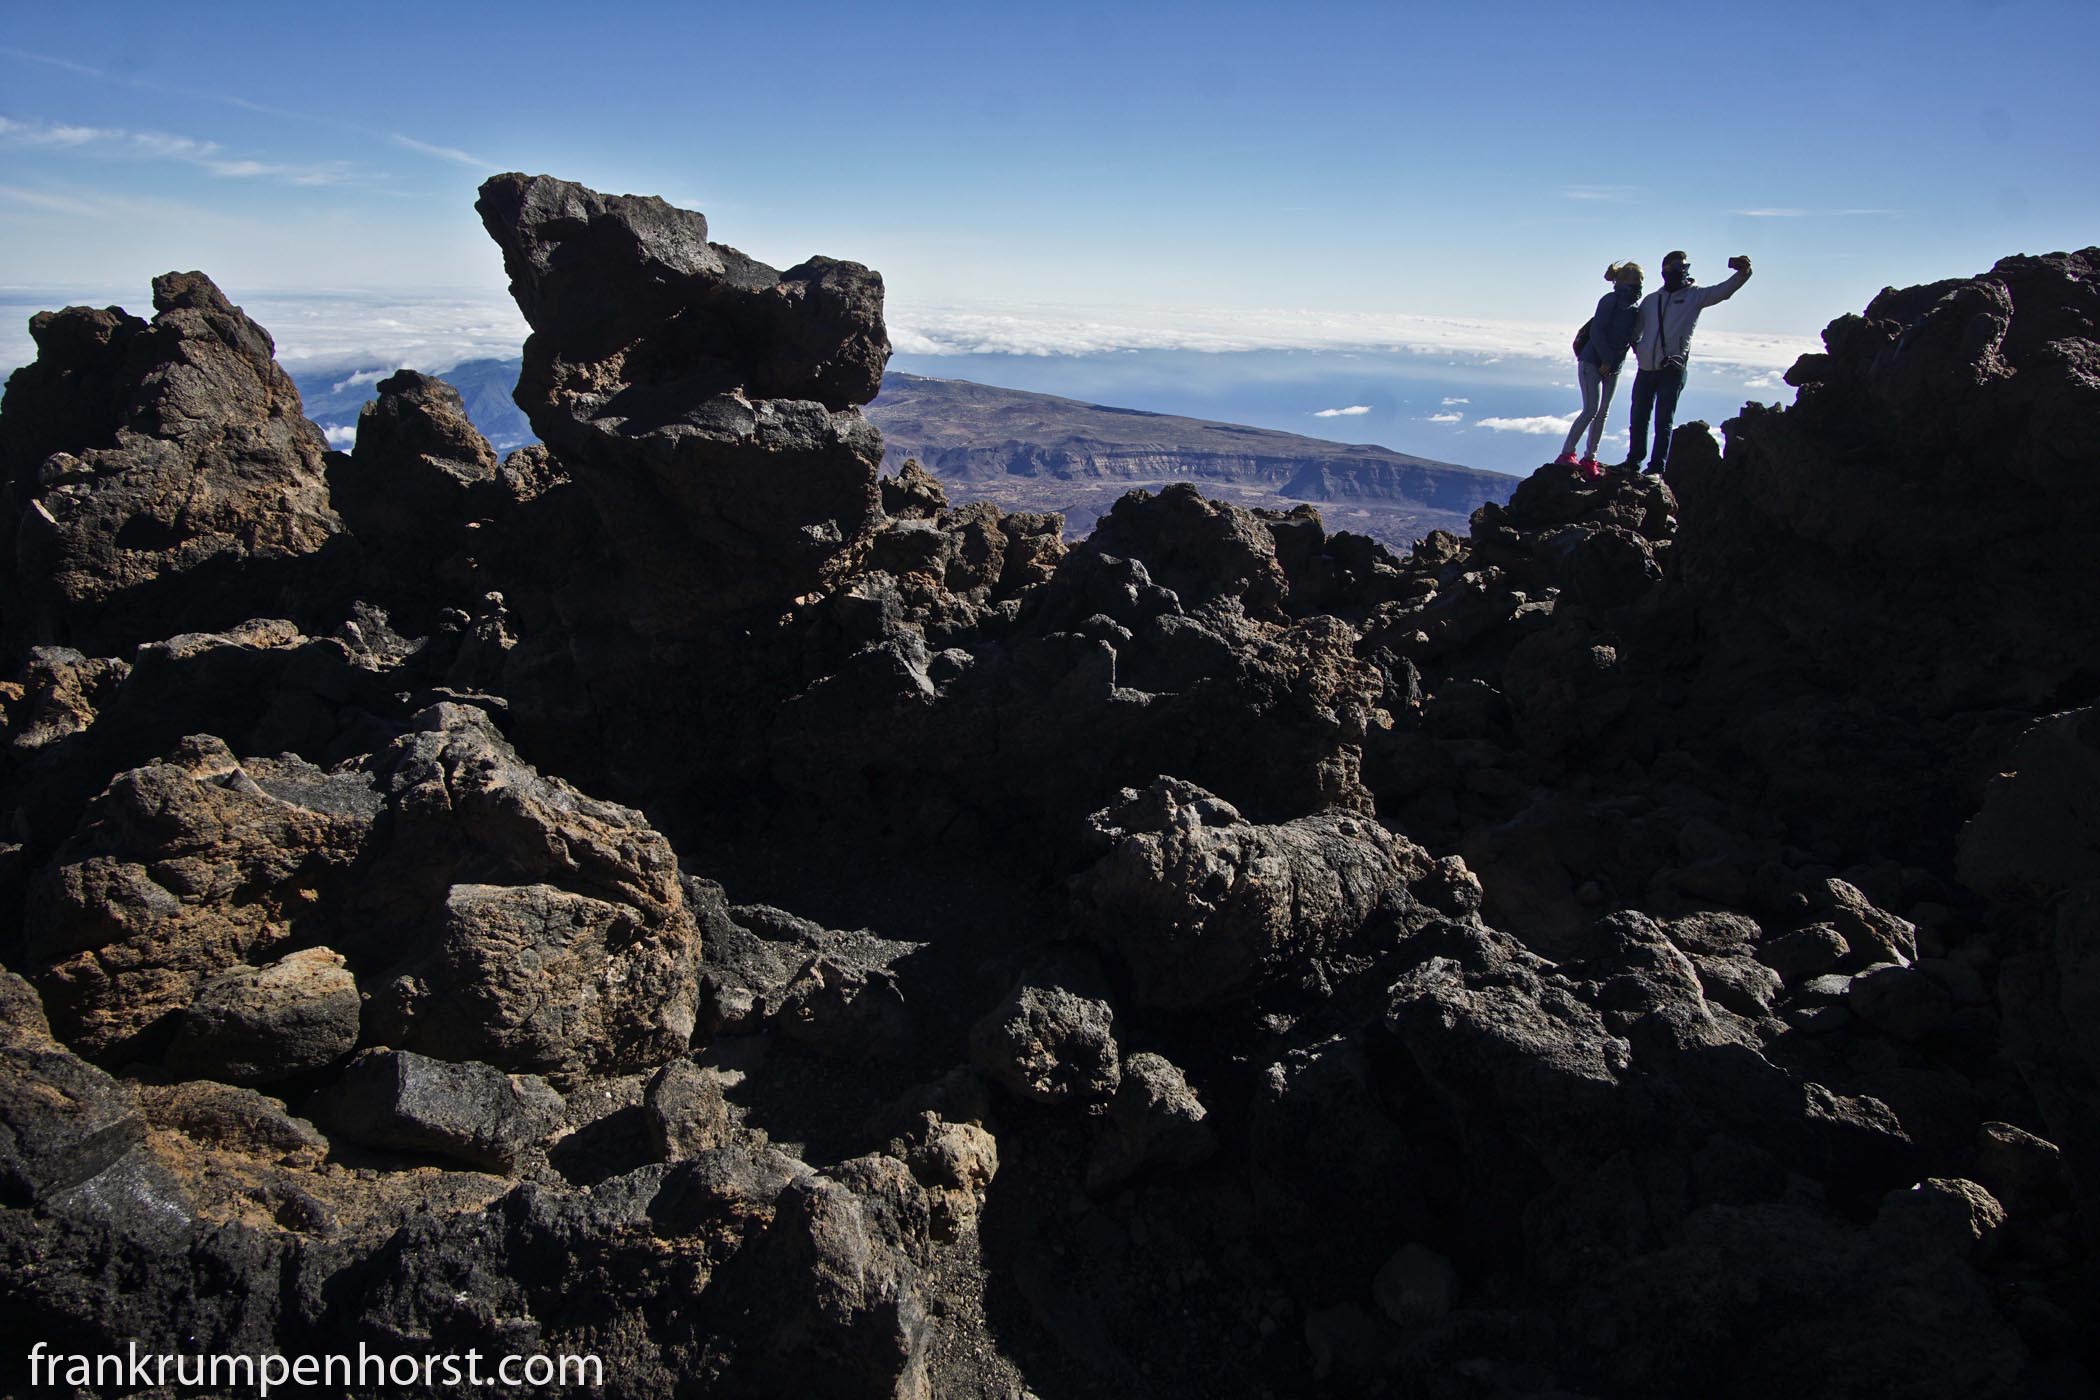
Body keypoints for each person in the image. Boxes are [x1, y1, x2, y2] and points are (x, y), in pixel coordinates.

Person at [1619, 250, 1752, 474]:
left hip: (1672, 370)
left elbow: (1722, 292)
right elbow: (1635, 331)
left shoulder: (1694, 296)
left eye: (1683, 267)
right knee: (1638, 418)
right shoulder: (1651, 301)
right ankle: (1633, 462)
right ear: (1664, 271)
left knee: (1663, 422)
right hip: (1646, 369)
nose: (1679, 272)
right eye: (1674, 268)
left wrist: (1743, 273)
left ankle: (1656, 468)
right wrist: (1639, 350)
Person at [1554, 261, 1644, 478]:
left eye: (1641, 281)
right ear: (1623, 281)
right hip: (1592, 362)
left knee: (1602, 412)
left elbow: (1631, 337)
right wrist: (1605, 360)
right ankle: (1566, 454)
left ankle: (1590, 458)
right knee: (1591, 409)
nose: (1639, 286)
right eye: (1636, 281)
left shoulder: (1634, 309)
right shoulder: (1610, 300)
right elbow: (1597, 332)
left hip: (1613, 366)